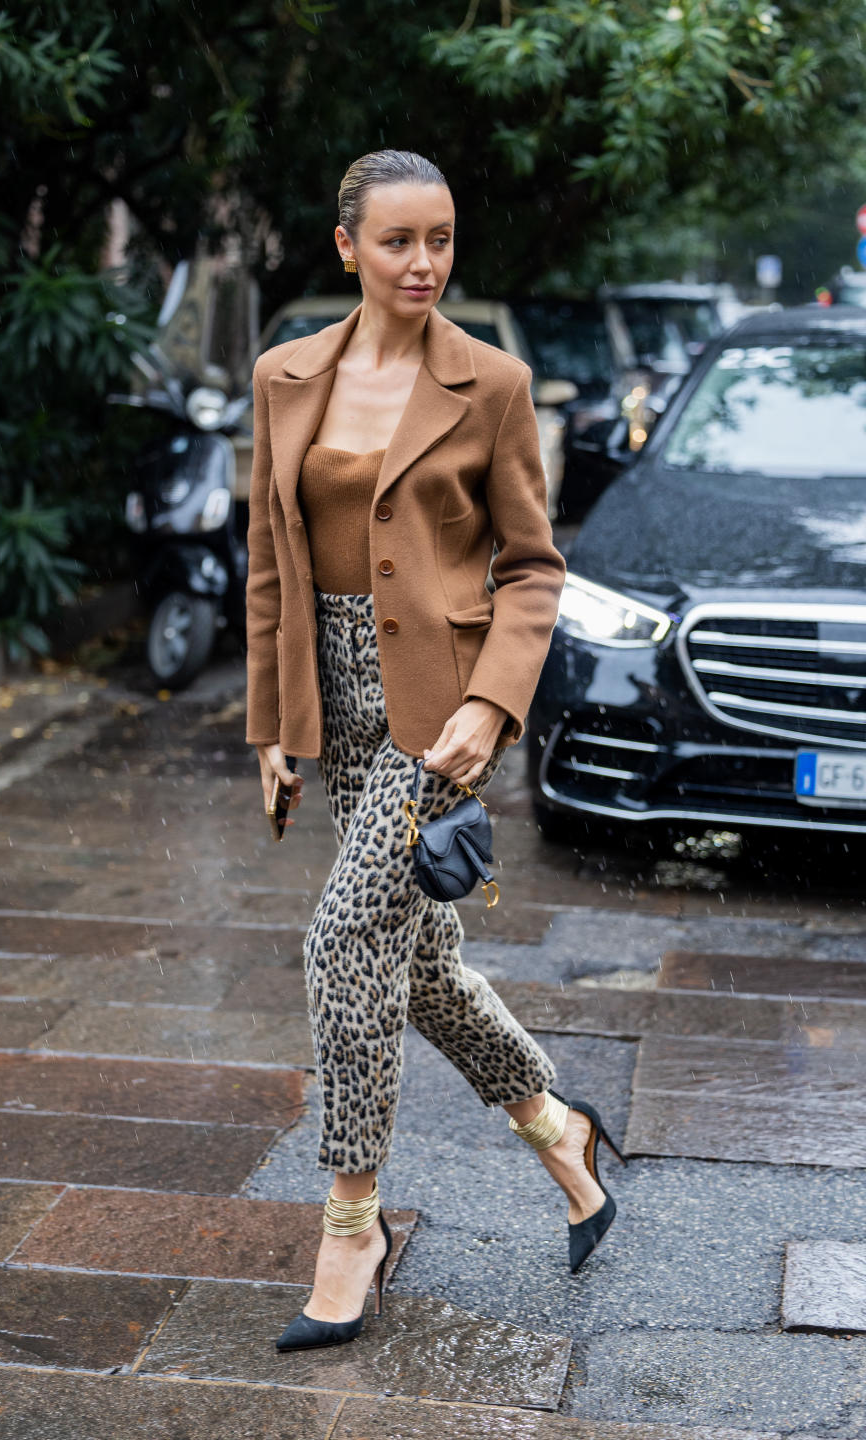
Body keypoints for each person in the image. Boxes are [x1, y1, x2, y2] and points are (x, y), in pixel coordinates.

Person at [245, 149, 624, 1354]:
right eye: (400, 241)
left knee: (345, 938)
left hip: (439, 716)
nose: (425, 263)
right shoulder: (283, 376)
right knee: (412, 968)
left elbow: (533, 568)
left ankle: (350, 1221)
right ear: (347, 245)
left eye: (443, 240)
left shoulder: (493, 383)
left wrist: (491, 708)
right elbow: (270, 563)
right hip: (337, 704)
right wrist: (270, 724)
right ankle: (558, 1133)